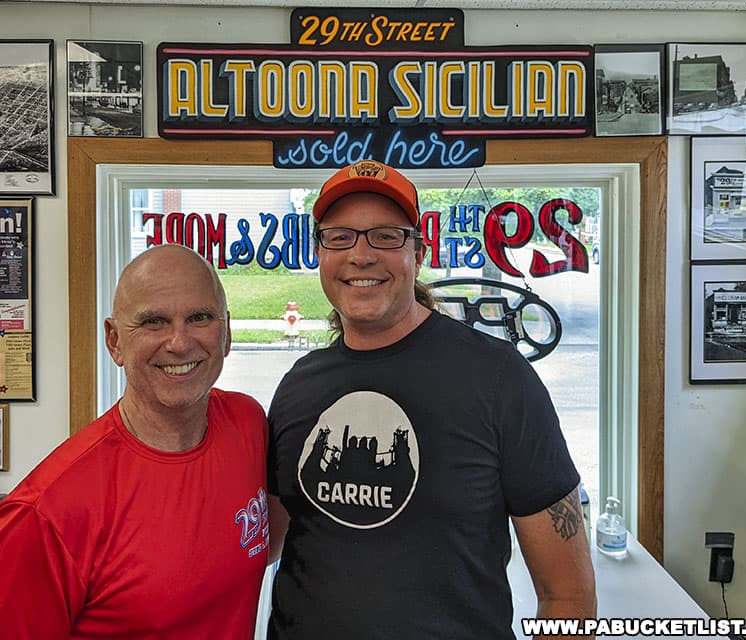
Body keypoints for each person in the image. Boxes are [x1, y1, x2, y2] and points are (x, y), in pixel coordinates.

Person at [266, 160, 596, 639]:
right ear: (320, 252)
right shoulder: (299, 385)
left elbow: (569, 595)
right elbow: (268, 542)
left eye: (385, 236)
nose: (361, 255)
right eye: (340, 236)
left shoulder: (499, 379)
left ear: (418, 252)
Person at [0, 244, 269, 639]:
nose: (179, 342)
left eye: (199, 317)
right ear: (114, 341)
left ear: (226, 332)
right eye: (153, 322)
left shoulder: (248, 424)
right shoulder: (44, 513)